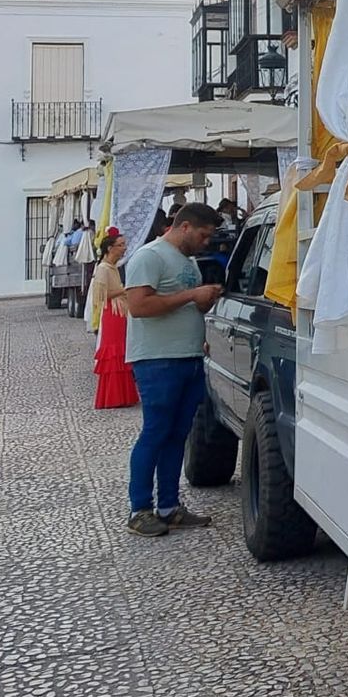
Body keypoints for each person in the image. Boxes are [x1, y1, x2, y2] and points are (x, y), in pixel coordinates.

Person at [121, 202, 223, 537]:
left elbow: (186, 304)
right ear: (185, 227)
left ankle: (168, 505)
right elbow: (139, 306)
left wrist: (203, 299)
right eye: (204, 235)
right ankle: (140, 508)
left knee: (177, 434)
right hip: (157, 359)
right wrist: (192, 294)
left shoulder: (188, 262)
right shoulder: (148, 257)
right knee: (155, 432)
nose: (206, 242)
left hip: (188, 357)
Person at [90, 231, 137, 409]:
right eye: (121, 245)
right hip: (113, 312)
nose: (124, 249)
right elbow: (101, 295)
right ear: (110, 248)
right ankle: (114, 395)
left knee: (120, 351)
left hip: (120, 311)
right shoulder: (103, 268)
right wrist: (124, 290)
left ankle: (122, 395)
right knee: (114, 352)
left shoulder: (112, 267)